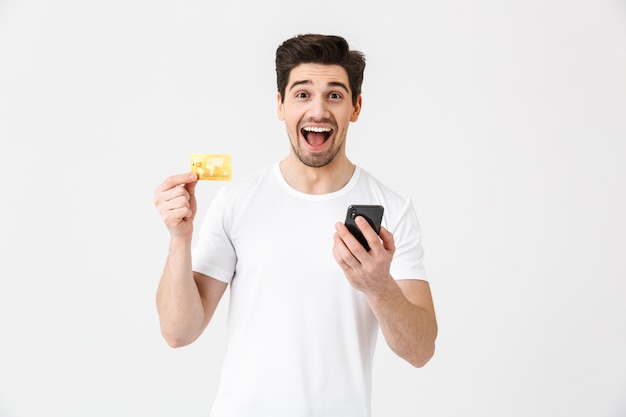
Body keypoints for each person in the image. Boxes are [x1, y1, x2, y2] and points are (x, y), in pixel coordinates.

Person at [153, 33, 437, 417]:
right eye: (302, 94)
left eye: (334, 95)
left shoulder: (393, 209)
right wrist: (179, 239)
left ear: (356, 107)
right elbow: (178, 332)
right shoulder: (237, 201)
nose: (318, 110)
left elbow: (420, 351)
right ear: (280, 106)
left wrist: (379, 286)